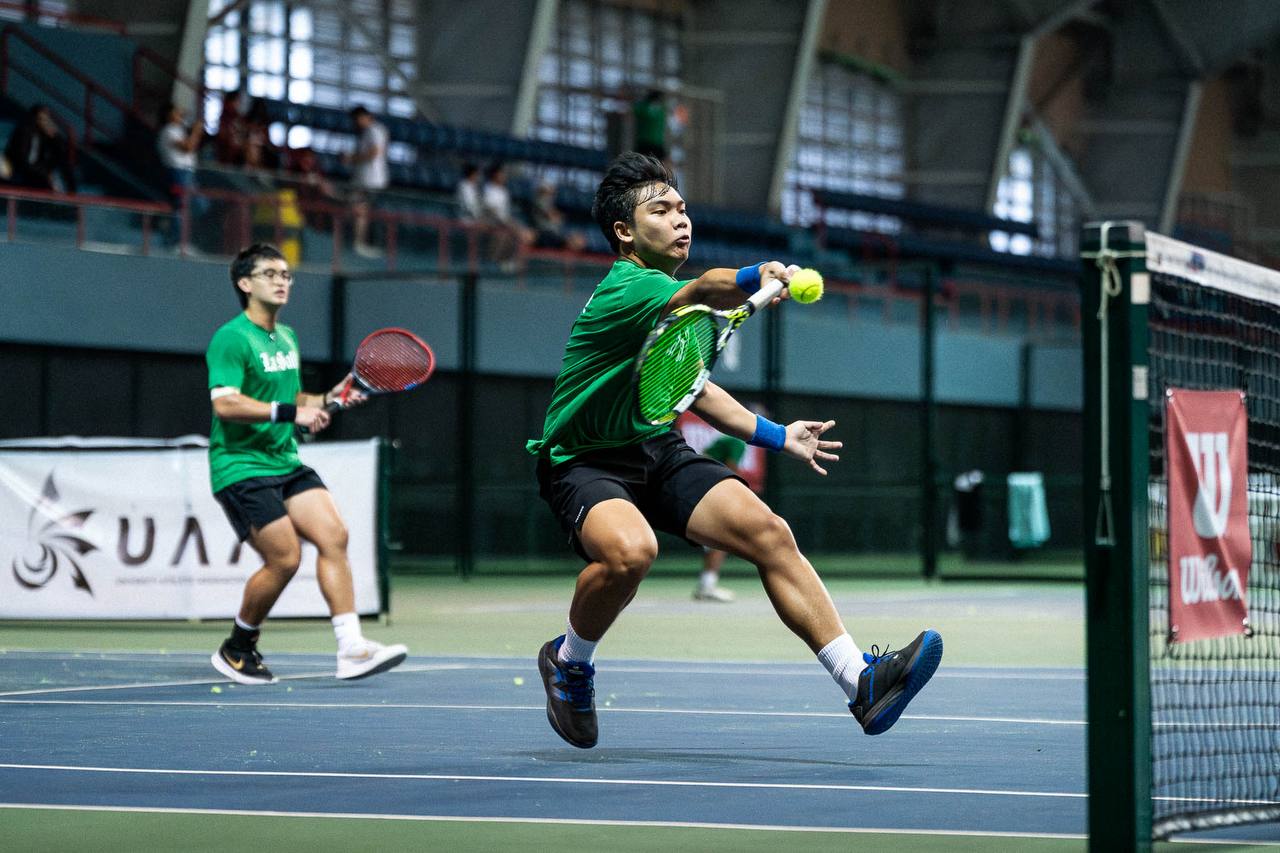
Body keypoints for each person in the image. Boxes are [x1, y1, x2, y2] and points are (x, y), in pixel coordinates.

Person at [527, 152, 942, 749]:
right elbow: (707, 287)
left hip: (654, 448)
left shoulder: (669, 304)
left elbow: (695, 387)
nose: (680, 220)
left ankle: (862, 681)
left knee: (769, 532)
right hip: (583, 459)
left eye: (683, 209)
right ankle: (569, 660)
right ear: (624, 231)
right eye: (661, 210)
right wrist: (756, 275)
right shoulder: (629, 289)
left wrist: (778, 435)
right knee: (631, 553)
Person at [206, 243, 407, 685]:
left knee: (334, 534)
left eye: (286, 275)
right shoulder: (231, 337)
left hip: (285, 460)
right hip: (241, 465)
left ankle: (352, 648)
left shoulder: (288, 337)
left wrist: (329, 399)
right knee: (284, 558)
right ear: (245, 283)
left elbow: (293, 400)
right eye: (270, 274)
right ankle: (237, 647)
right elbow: (226, 404)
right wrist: (289, 413)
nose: (282, 281)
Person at [156, 102, 206, 243]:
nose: (180, 115)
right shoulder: (168, 131)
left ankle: (180, 239)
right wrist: (196, 131)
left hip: (187, 172)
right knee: (182, 207)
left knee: (198, 205)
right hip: (178, 173)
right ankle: (175, 241)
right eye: (177, 112)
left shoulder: (179, 130)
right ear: (169, 114)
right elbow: (188, 147)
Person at [344, 105, 388, 258]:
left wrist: (352, 158)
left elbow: (374, 152)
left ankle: (360, 243)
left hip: (371, 181)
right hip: (363, 179)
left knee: (361, 211)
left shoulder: (374, 130)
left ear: (363, 117)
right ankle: (357, 242)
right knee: (357, 209)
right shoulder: (366, 132)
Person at [3, 104, 76, 193]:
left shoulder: (44, 135)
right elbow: (22, 160)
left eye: (47, 119)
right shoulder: (24, 131)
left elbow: (59, 154)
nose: (45, 122)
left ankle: (72, 193)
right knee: (44, 180)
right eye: (41, 118)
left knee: (63, 166)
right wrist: (44, 173)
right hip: (20, 170)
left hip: (36, 169)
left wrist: (55, 137)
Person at [481, 162, 534, 268]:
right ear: (495, 175)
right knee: (514, 232)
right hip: (490, 221)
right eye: (502, 174)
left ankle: (507, 261)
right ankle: (498, 261)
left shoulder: (503, 191)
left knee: (519, 233)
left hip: (503, 222)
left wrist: (510, 222)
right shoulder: (488, 189)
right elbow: (491, 211)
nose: (504, 176)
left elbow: (505, 213)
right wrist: (508, 223)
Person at [529, 180, 587, 252]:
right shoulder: (540, 201)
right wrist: (556, 216)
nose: (551, 194)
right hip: (544, 231)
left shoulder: (550, 202)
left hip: (553, 234)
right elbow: (550, 215)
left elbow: (557, 218)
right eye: (548, 192)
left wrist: (557, 216)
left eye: (552, 193)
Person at [213, 89, 247, 166]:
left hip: (234, 156)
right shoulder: (226, 117)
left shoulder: (237, 117)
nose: (239, 103)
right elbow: (224, 135)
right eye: (238, 100)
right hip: (226, 157)